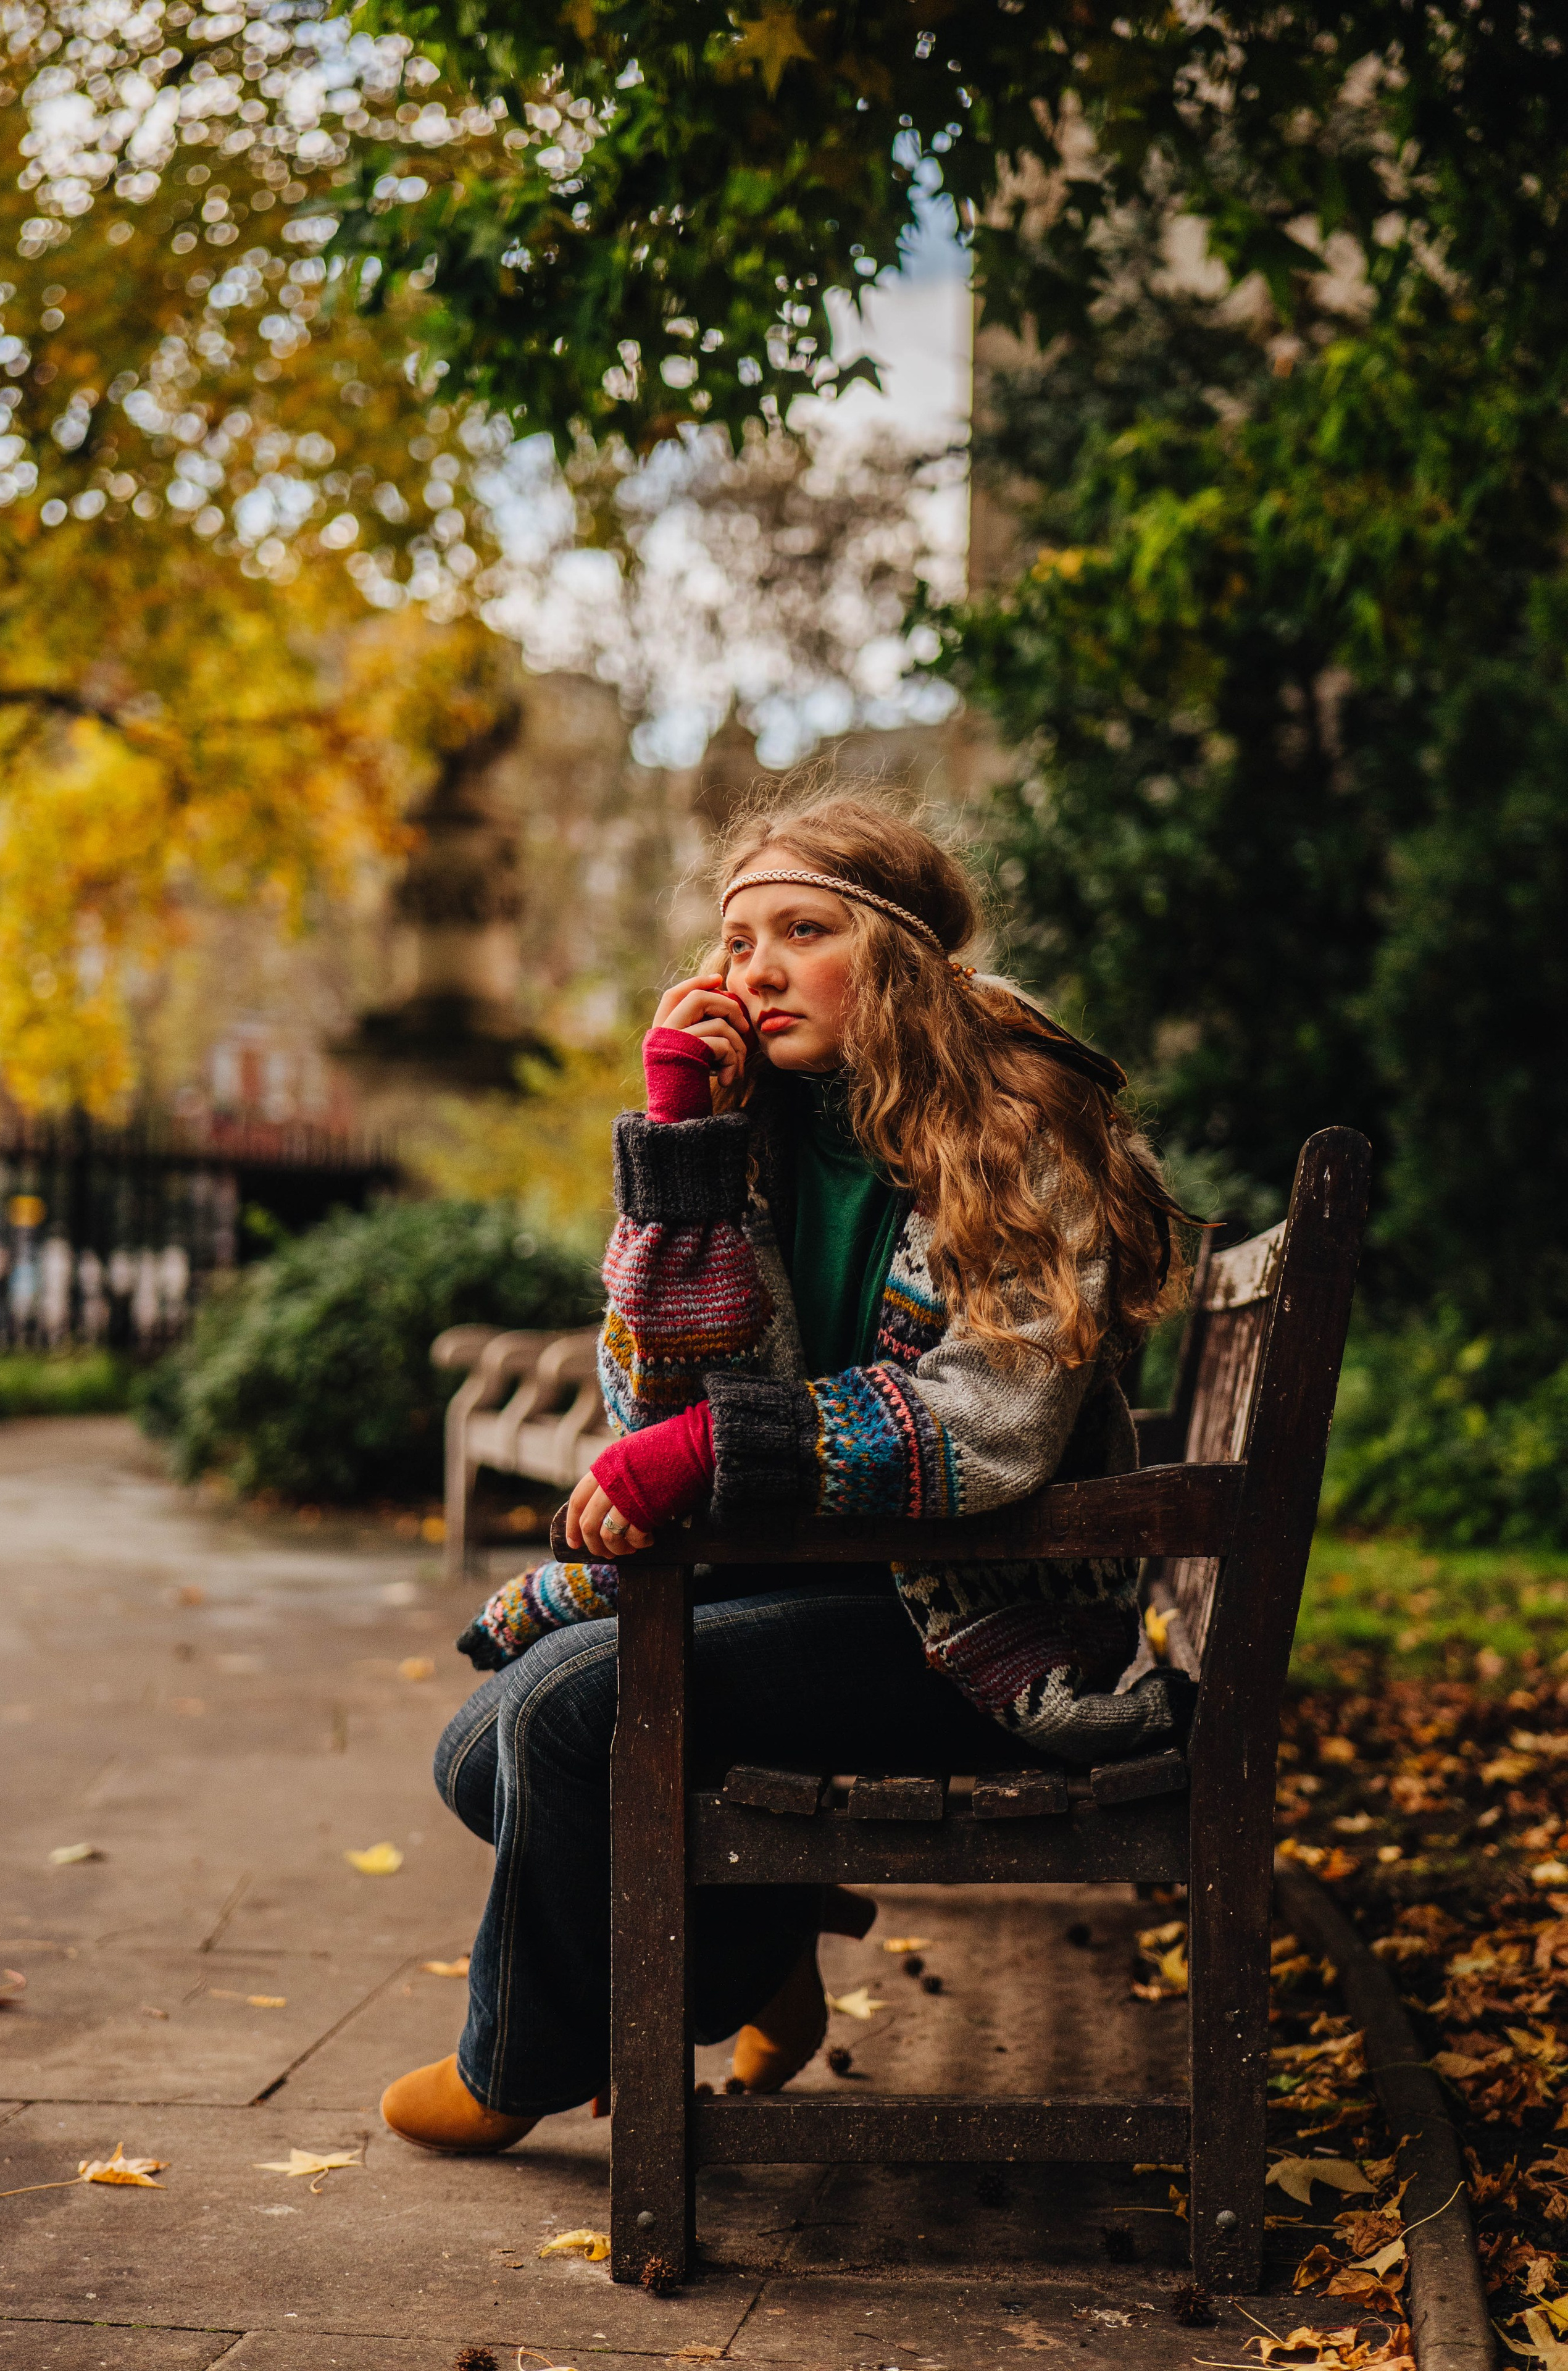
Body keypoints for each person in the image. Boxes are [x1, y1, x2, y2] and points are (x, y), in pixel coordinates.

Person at [380, 788, 1193, 2155]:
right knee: (483, 1752)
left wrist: (720, 1448)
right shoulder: (753, 1132)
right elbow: (653, 1398)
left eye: (798, 931)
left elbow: (991, 1426)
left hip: (977, 1625)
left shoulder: (1020, 1129)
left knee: (572, 1717)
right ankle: (758, 1957)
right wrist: (678, 1156)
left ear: (900, 959)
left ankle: (516, 2062)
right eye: (734, 939)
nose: (750, 969)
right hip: (809, 1584)